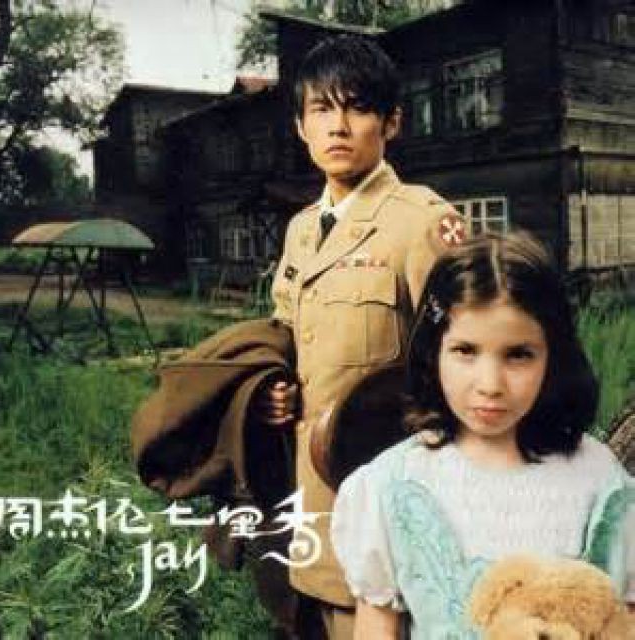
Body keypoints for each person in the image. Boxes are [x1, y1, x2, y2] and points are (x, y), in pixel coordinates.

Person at [258, 34, 465, 637]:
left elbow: (465, 355)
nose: (338, 126)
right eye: (322, 109)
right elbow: (289, 337)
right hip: (308, 491)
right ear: (301, 126)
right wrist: (276, 391)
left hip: (387, 493)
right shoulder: (301, 229)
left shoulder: (423, 221)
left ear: (391, 122)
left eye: (357, 108)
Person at [331, 233, 635, 638]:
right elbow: (376, 628)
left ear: (552, 357)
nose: (490, 384)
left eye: (518, 355)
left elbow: (624, 617)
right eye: (466, 351)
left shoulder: (596, 478)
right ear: (433, 351)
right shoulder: (389, 484)